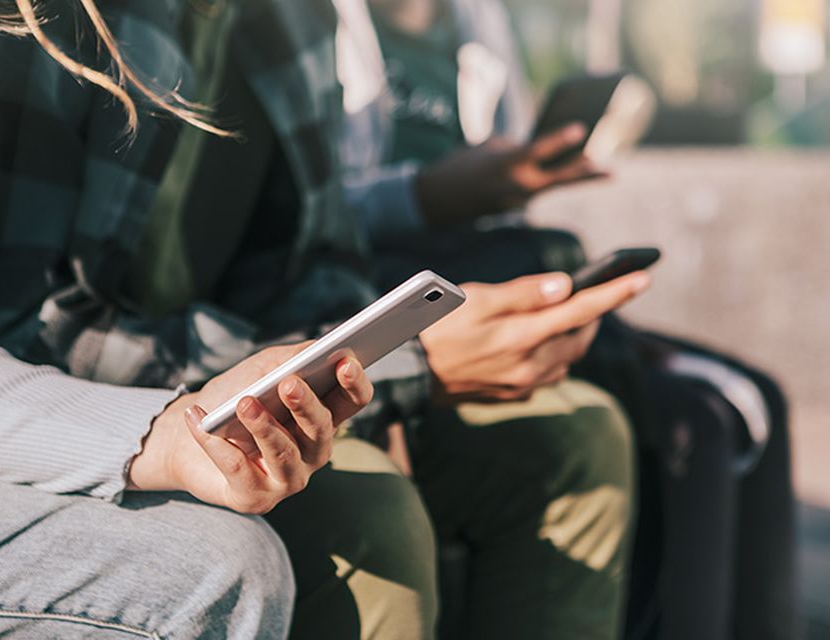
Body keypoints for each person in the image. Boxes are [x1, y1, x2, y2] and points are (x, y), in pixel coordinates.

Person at [0, 1, 653, 638]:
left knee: (577, 437)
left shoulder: (296, 16)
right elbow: (25, 332)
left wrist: (378, 371)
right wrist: (409, 368)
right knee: (365, 513)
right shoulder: (55, 21)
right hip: (99, 415)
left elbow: (316, 263)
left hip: (257, 377)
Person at [0, 2, 376, 638]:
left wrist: (181, 430)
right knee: (213, 567)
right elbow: (24, 320)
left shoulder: (299, 21)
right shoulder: (37, 28)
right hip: (69, 377)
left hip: (110, 386)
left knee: (368, 509)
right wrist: (163, 432)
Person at [334, 1, 798, 638]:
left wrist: (511, 179)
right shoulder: (306, 24)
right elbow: (308, 226)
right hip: (388, 289)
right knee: (695, 420)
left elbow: (500, 203)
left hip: (486, 270)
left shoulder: (478, 21)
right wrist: (433, 195)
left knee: (750, 394)